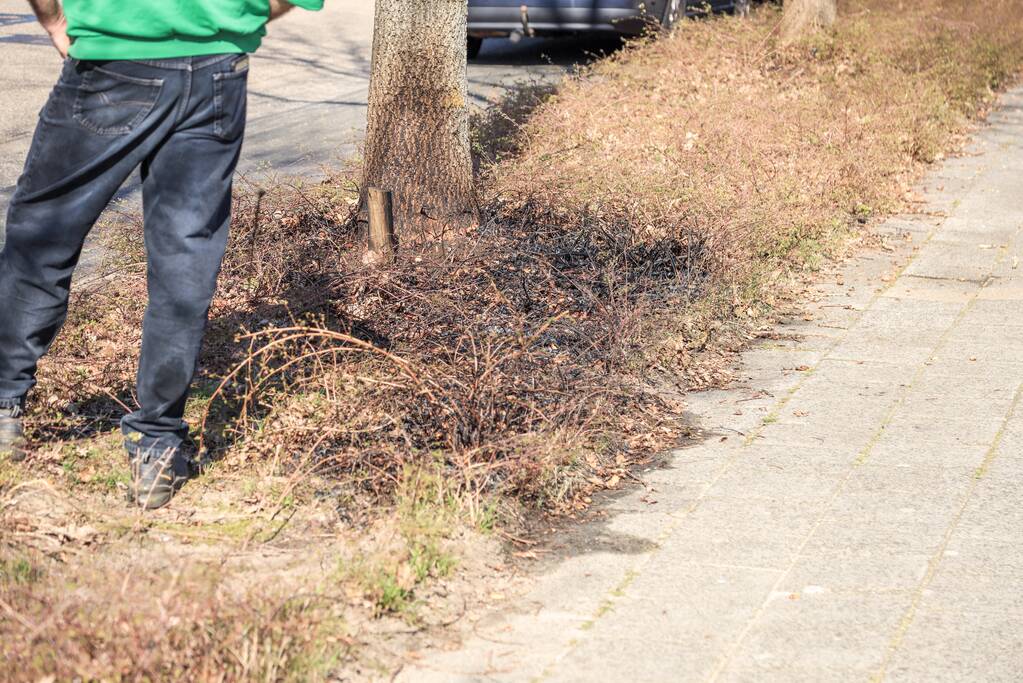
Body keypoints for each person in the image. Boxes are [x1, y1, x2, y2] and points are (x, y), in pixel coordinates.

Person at [0, 0, 324, 509]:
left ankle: (3, 401)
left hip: (114, 58)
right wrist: (228, 23)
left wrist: (56, 20)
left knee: (44, 233)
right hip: (218, 70)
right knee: (185, 257)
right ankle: (157, 444)